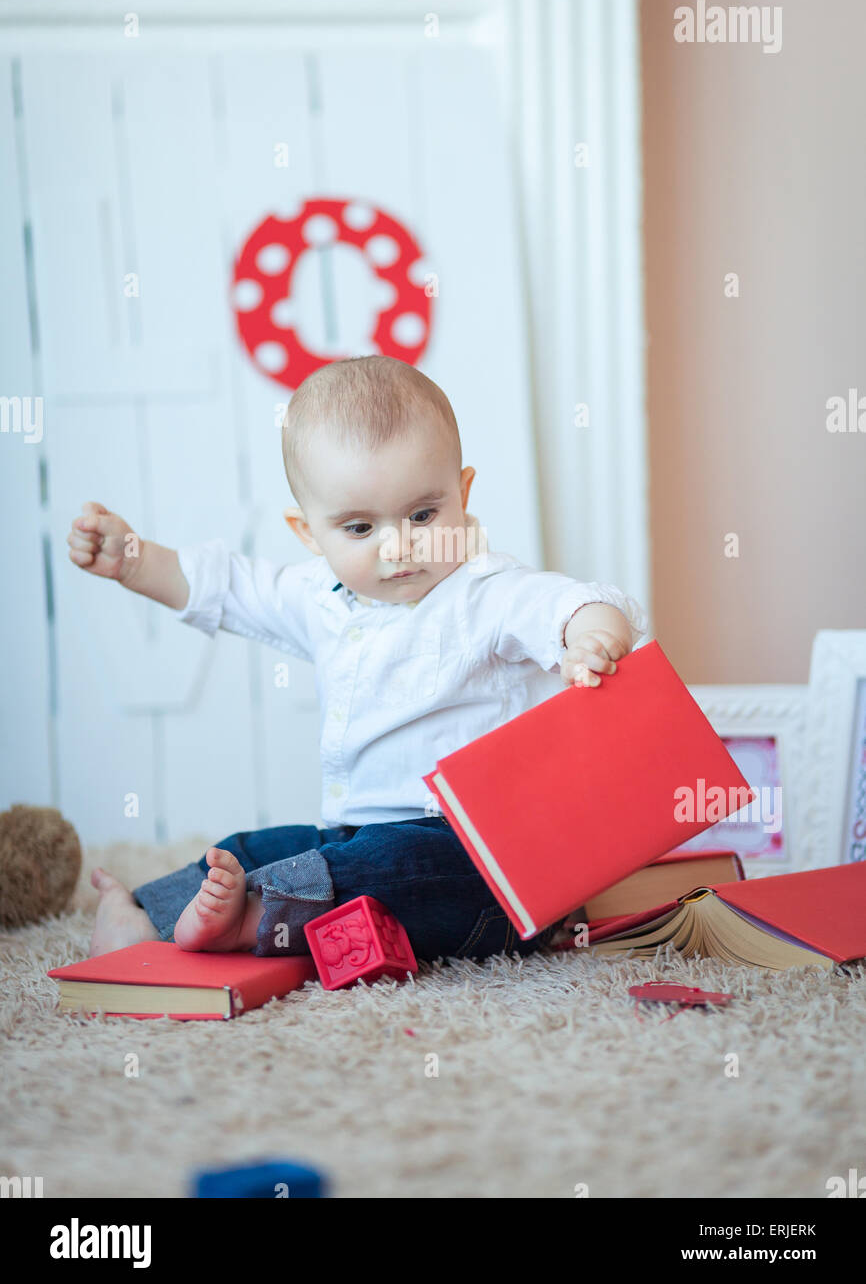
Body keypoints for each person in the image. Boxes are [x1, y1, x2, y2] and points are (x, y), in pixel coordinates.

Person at [67, 355, 648, 963]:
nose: (398, 547)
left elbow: (567, 603)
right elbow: (229, 588)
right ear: (310, 535)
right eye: (359, 528)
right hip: (349, 839)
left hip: (478, 856)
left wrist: (591, 635)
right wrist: (133, 561)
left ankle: (265, 918)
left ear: (463, 493)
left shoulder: (484, 592)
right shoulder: (320, 598)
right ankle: (142, 912)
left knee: (403, 864)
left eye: (423, 515)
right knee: (254, 850)